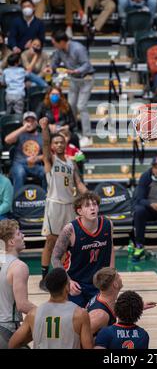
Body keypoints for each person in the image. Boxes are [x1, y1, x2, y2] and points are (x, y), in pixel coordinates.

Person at [39, 117, 87, 291]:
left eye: (61, 142)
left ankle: (68, 275)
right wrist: (44, 128)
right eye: (56, 142)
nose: (59, 144)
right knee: (51, 241)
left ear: (65, 143)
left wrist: (89, 196)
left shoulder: (71, 162)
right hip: (54, 204)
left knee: (70, 243)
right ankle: (44, 278)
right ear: (53, 146)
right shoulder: (50, 160)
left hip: (69, 205)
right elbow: (44, 145)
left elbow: (78, 183)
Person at [52, 191, 115, 308]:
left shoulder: (107, 224)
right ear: (79, 211)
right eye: (87, 205)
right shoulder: (70, 230)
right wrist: (68, 281)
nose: (92, 208)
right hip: (76, 283)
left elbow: (111, 248)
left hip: (99, 282)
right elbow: (55, 258)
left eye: (95, 204)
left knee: (103, 318)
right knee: (76, 320)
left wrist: (112, 274)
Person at [8, 268, 93, 349]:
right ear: (67, 287)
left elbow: (12, 344)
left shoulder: (33, 314)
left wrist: (35, 335)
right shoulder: (80, 314)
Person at [51, 30, 95, 148]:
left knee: (81, 106)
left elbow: (86, 64)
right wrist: (50, 68)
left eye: (54, 42)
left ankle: (88, 136)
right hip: (74, 79)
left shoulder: (78, 48)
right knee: (70, 106)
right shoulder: (59, 50)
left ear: (61, 42)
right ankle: (73, 132)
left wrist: (75, 71)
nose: (53, 45)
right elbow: (54, 62)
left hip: (86, 78)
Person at [87, 267, 156, 336]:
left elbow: (113, 309)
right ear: (115, 284)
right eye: (118, 276)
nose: (120, 277)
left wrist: (136, 307)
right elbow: (82, 336)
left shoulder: (102, 297)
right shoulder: (100, 315)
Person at [0, 219, 35, 349]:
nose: (23, 236)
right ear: (11, 242)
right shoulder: (19, 266)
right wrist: (48, 313)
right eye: (19, 234)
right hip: (6, 328)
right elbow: (22, 305)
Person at [5, 111, 46, 193]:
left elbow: (47, 155)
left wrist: (37, 158)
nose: (30, 123)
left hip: (35, 165)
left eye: (32, 121)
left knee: (47, 172)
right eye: (27, 121)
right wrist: (23, 128)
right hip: (19, 164)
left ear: (36, 122)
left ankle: (47, 198)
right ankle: (17, 200)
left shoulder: (41, 136)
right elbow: (7, 140)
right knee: (20, 173)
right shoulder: (19, 134)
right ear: (23, 122)